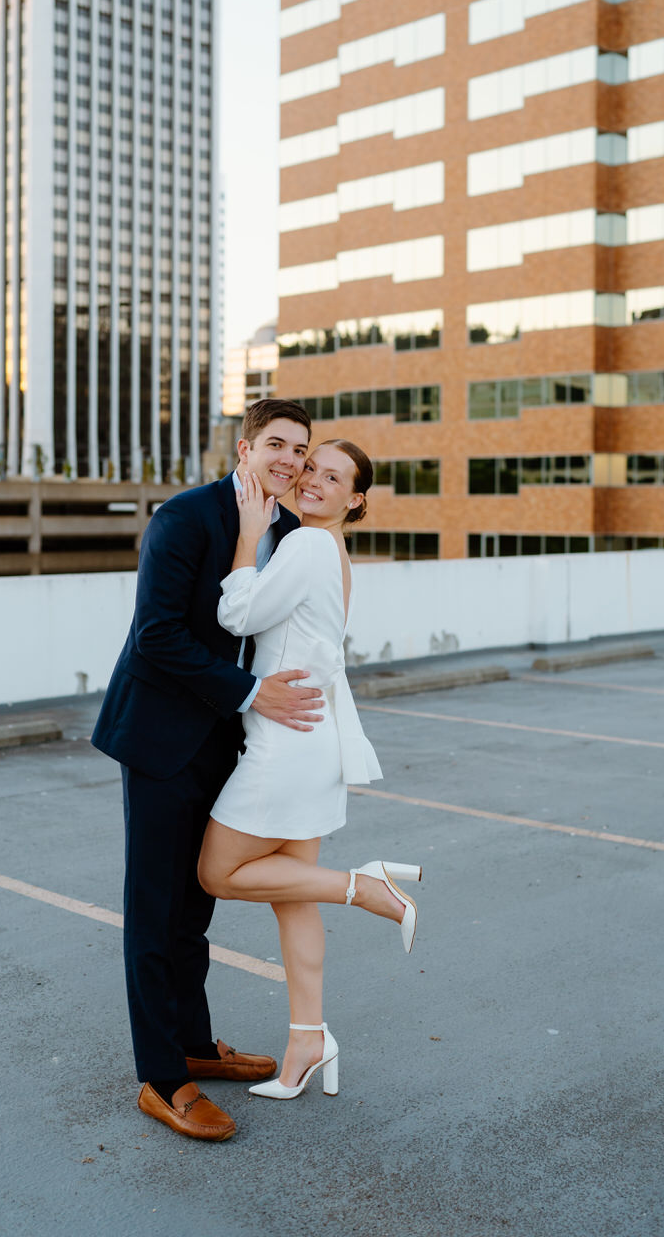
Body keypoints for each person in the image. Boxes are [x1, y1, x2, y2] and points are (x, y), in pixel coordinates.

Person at [90, 399, 325, 1143]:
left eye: (300, 450)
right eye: (277, 445)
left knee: (196, 908)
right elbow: (157, 636)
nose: (288, 461)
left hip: (230, 747)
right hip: (160, 740)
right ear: (245, 446)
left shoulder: (289, 534)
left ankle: (194, 1043)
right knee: (155, 913)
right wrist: (254, 693)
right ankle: (162, 1079)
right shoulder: (184, 517)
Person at [198, 439, 423, 1101]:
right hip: (311, 738)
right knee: (291, 898)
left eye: (333, 476)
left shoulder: (307, 545)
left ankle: (365, 885)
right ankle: (307, 1038)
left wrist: (247, 538)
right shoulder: (334, 553)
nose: (314, 481)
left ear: (355, 499)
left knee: (218, 872)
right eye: (312, 469)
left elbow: (236, 612)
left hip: (285, 743)